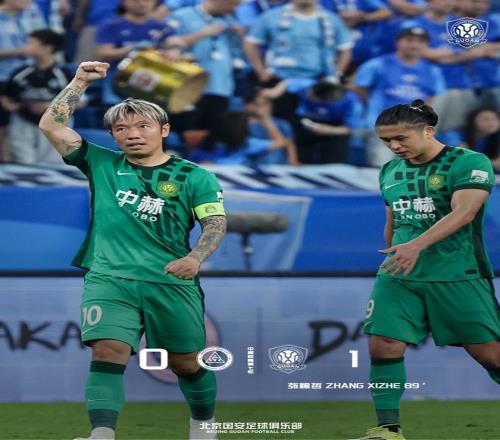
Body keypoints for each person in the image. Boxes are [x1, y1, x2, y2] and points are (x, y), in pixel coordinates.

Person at [39, 61, 226, 440]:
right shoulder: (101, 163)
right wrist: (79, 81)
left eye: (143, 126)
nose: (133, 134)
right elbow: (51, 126)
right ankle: (102, 434)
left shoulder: (194, 176)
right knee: (107, 350)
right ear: (113, 135)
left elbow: (215, 222)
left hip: (169, 281)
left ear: (164, 130)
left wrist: (195, 258)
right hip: (109, 277)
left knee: (186, 363)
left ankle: (204, 426)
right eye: (121, 129)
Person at [358, 99, 500, 440]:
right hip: (400, 275)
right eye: (386, 141)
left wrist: (416, 245)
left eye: (400, 138)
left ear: (428, 131)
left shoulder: (468, 162)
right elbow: (394, 220)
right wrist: (396, 252)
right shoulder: (389, 171)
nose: (394, 146)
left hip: (457, 273)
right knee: (383, 344)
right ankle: (388, 430)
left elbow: (464, 212)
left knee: (490, 355)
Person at [355, 24, 446, 166]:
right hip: (382, 127)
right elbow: (360, 90)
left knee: (415, 170)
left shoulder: (432, 71)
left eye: (420, 41)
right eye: (409, 40)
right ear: (397, 42)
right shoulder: (377, 65)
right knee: (383, 167)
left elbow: (433, 98)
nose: (414, 45)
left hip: (415, 130)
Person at [2, 29, 74, 164]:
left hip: (54, 123)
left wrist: (50, 106)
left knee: (52, 164)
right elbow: (6, 97)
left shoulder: (63, 73)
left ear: (48, 47)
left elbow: (80, 101)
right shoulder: (21, 72)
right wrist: (16, 108)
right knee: (23, 163)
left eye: (31, 43)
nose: (26, 47)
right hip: (23, 120)